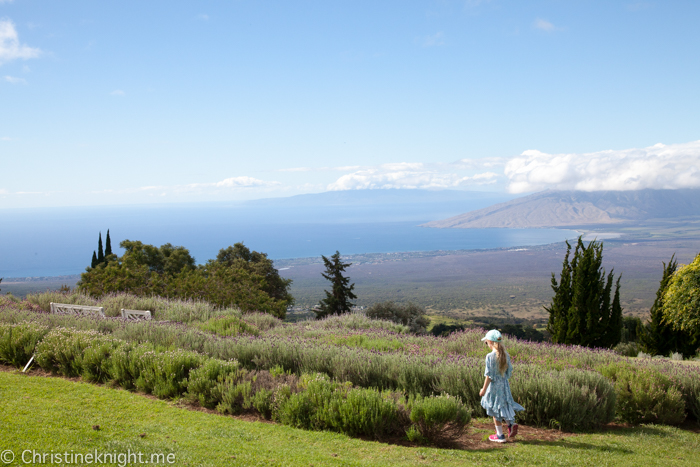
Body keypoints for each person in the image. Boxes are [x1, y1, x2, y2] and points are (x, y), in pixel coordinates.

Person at [478, 329, 525, 443]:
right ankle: (510, 424)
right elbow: (509, 373)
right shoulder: (505, 355)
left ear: (489, 342)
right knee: (504, 405)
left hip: (494, 386)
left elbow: (489, 376)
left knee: (494, 408)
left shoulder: (490, 356)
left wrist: (483, 389)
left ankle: (499, 435)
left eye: (486, 343)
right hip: (504, 385)